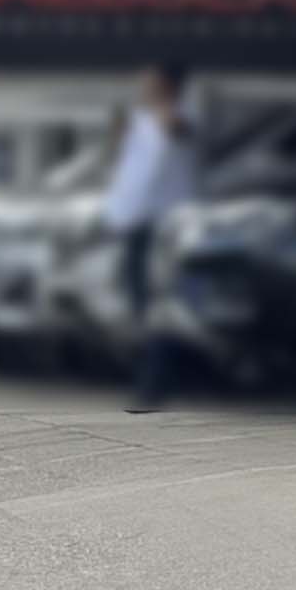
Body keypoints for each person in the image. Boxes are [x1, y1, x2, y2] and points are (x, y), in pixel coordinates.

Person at [99, 64, 203, 412]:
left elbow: (180, 131)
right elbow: (128, 173)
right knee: (142, 307)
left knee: (161, 306)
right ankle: (154, 379)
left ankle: (155, 385)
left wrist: (162, 114)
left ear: (168, 86)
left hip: (168, 227)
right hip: (136, 224)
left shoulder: (181, 117)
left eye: (151, 83)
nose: (143, 88)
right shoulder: (140, 123)